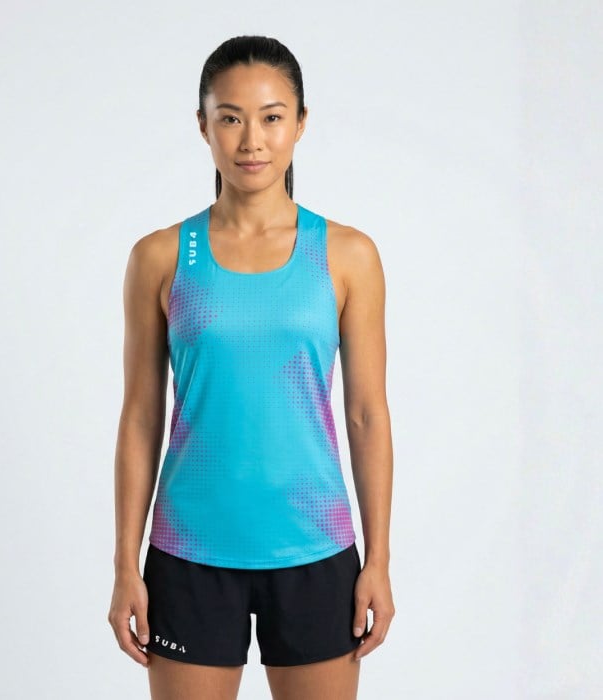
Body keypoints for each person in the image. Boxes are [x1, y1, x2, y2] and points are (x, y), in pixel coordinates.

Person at [108, 35, 395, 700]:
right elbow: (141, 417)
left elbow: (366, 414)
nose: (251, 141)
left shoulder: (348, 255)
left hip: (316, 549)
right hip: (189, 553)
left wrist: (378, 558)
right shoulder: (160, 257)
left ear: (300, 123)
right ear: (203, 125)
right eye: (231, 118)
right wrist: (125, 563)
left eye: (271, 117)